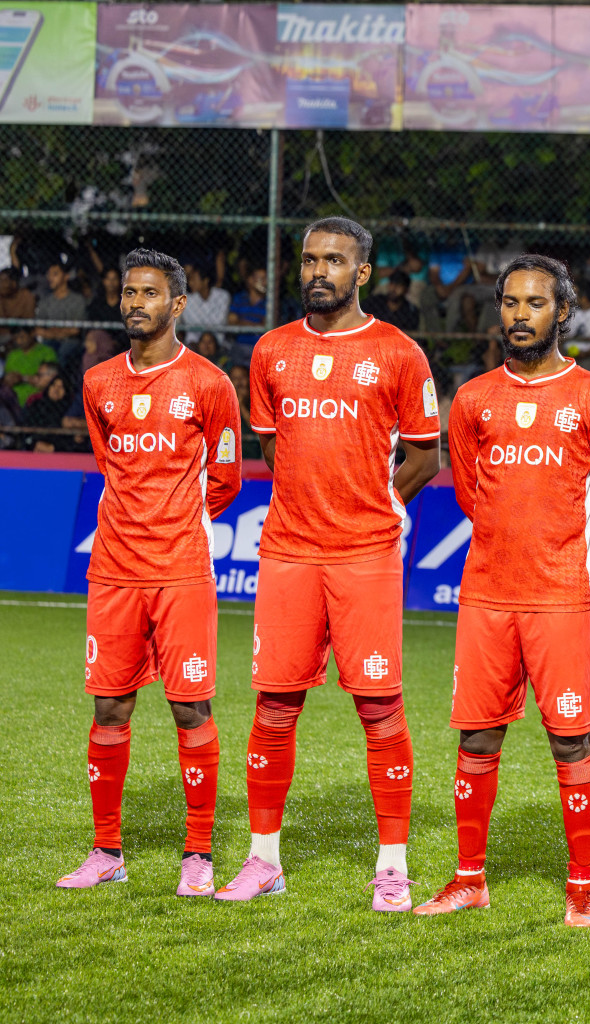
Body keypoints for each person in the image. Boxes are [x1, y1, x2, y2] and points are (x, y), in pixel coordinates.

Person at [215, 217, 441, 910]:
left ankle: (393, 866)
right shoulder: (271, 350)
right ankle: (263, 861)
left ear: (362, 273)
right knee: (275, 706)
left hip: (366, 555)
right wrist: (310, 500)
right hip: (287, 551)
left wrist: (376, 504)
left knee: (380, 708)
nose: (319, 271)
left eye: (335, 260)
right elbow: (273, 449)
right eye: (311, 259)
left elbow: (425, 455)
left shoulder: (399, 353)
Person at [414, 255, 590, 925]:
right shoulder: (476, 398)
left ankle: (581, 890)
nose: (518, 315)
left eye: (534, 303)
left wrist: (559, 551)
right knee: (477, 737)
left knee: (571, 740)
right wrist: (510, 546)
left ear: (562, 312)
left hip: (560, 598)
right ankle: (469, 879)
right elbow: (473, 491)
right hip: (485, 595)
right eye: (509, 302)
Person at [55, 248, 241, 896]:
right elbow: (110, 466)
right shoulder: (98, 381)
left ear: (178, 305)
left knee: (191, 707)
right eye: (129, 293)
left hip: (182, 569)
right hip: (112, 570)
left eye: (150, 294)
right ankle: (107, 851)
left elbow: (225, 479)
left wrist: (174, 521)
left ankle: (198, 854)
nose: (136, 303)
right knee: (110, 705)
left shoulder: (211, 385)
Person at [35, 260, 88, 363]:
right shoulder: (45, 301)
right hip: (50, 340)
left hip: (71, 341)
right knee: (44, 350)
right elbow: (38, 329)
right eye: (49, 274)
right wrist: (60, 333)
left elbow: (75, 330)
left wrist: (52, 332)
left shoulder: (77, 300)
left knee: (64, 352)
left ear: (66, 276)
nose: (50, 278)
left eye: (55, 274)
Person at [179, 263, 231, 335]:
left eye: (194, 279)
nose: (190, 283)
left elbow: (219, 322)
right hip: (194, 341)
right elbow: (190, 327)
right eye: (190, 279)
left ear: (206, 281)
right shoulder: (188, 300)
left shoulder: (222, 296)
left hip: (217, 339)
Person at [0, 266, 36, 348]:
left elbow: (28, 321)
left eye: (3, 281)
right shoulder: (1, 297)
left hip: (20, 333)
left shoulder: (26, 296)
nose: (0, 285)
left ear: (13, 283)